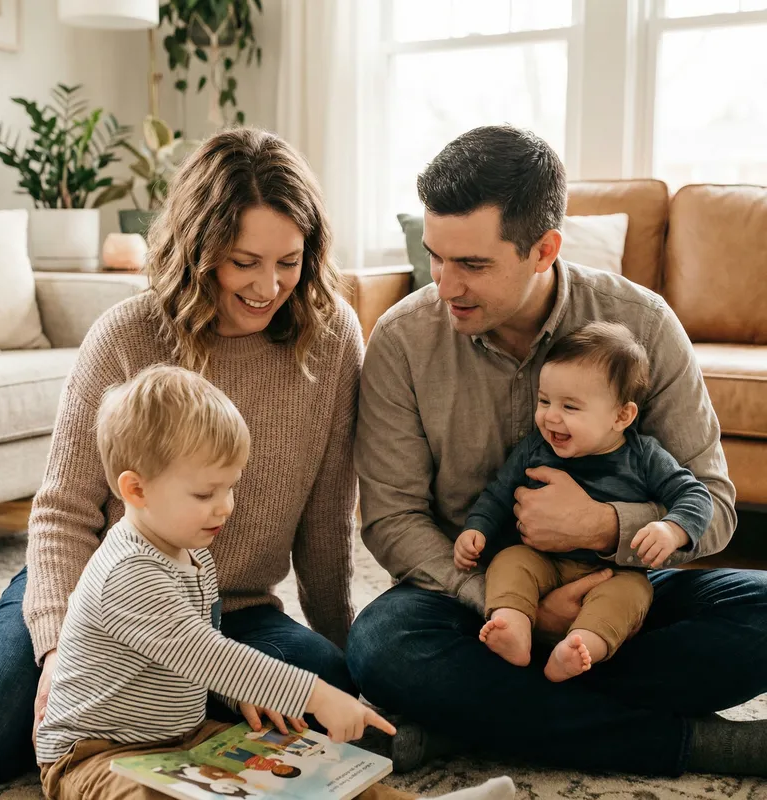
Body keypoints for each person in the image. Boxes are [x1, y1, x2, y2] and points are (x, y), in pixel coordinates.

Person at [347, 124, 767, 777]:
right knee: (381, 646)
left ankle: (470, 721)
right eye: (436, 256)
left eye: (473, 265)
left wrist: (605, 527)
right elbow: (392, 520)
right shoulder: (403, 339)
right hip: (472, 605)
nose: (445, 285)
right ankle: (695, 744)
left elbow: (712, 506)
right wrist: (509, 603)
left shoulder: (643, 324)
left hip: (613, 588)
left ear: (544, 248)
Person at [0, 127, 364, 790]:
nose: (270, 286)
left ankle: (189, 692)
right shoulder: (126, 334)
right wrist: (59, 645)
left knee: (328, 704)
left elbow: (327, 520)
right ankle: (175, 694)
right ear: (200, 248)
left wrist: (338, 650)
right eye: (245, 261)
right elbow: (63, 512)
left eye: (289, 261)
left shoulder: (332, 339)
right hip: (100, 598)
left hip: (231, 609)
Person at [38, 364, 393, 799]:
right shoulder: (127, 572)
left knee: (302, 769)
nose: (225, 507)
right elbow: (208, 653)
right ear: (136, 491)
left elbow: (205, 650)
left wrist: (236, 688)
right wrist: (317, 696)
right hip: (96, 753)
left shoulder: (191, 551)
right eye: (205, 494)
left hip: (185, 734)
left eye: (231, 487)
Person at [454, 322, 713, 681]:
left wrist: (672, 529)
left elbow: (696, 495)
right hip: (543, 561)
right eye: (544, 401)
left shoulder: (644, 457)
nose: (550, 416)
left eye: (570, 407)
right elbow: (498, 492)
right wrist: (476, 529)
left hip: (613, 573)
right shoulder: (535, 448)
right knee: (510, 560)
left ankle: (580, 646)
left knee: (632, 595)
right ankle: (512, 625)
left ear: (621, 416)